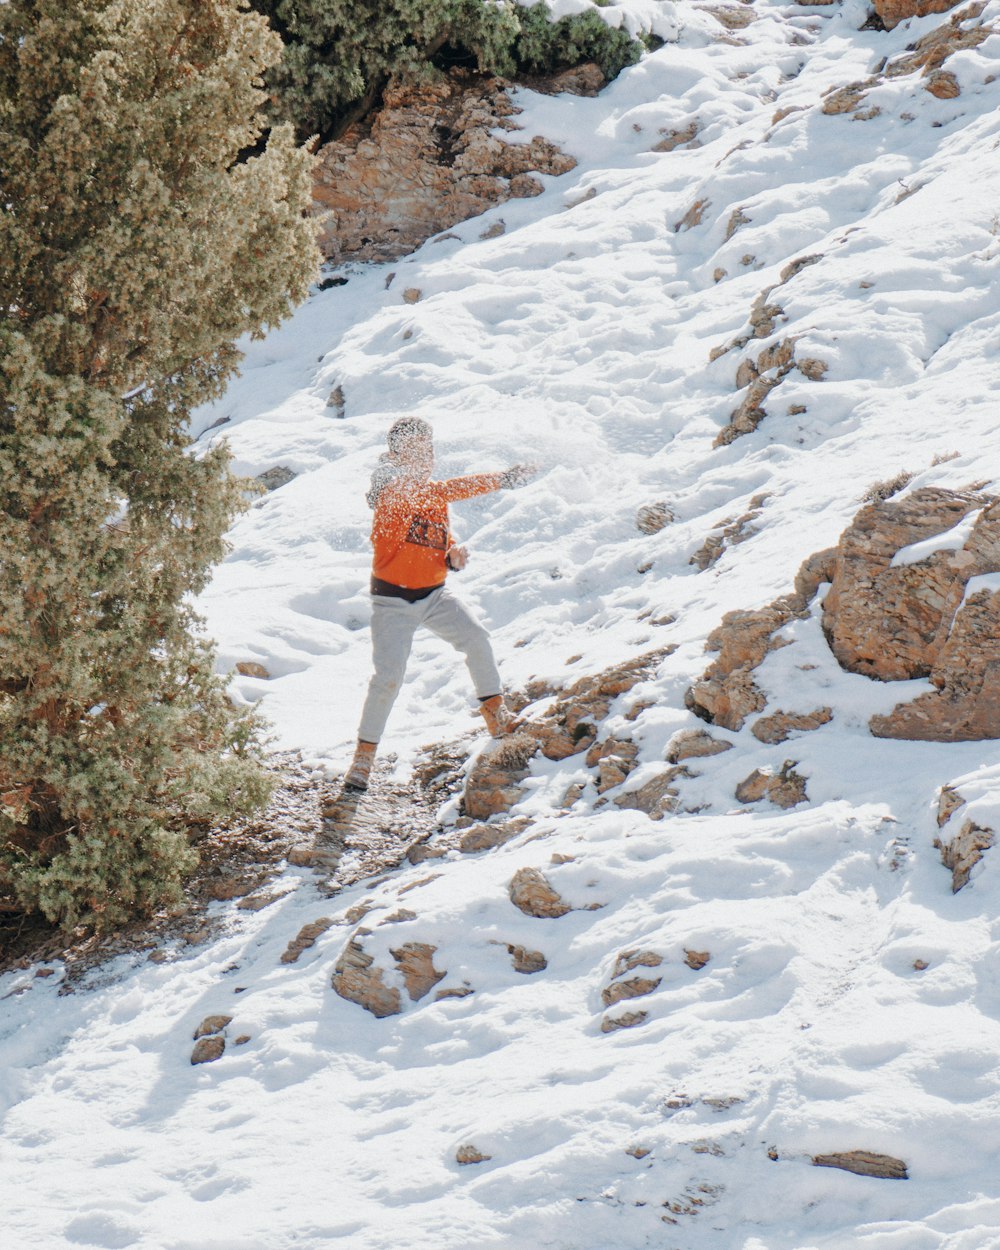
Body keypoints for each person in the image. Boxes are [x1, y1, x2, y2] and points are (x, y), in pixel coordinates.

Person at [344, 417, 536, 792]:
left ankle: (496, 715)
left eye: (427, 450)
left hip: (435, 595)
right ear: (395, 457)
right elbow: (438, 491)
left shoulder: (432, 498)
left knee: (477, 638)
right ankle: (363, 758)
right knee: (388, 679)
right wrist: (502, 479)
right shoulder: (392, 494)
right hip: (393, 603)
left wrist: (452, 555)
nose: (423, 457)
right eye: (413, 450)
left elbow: (432, 543)